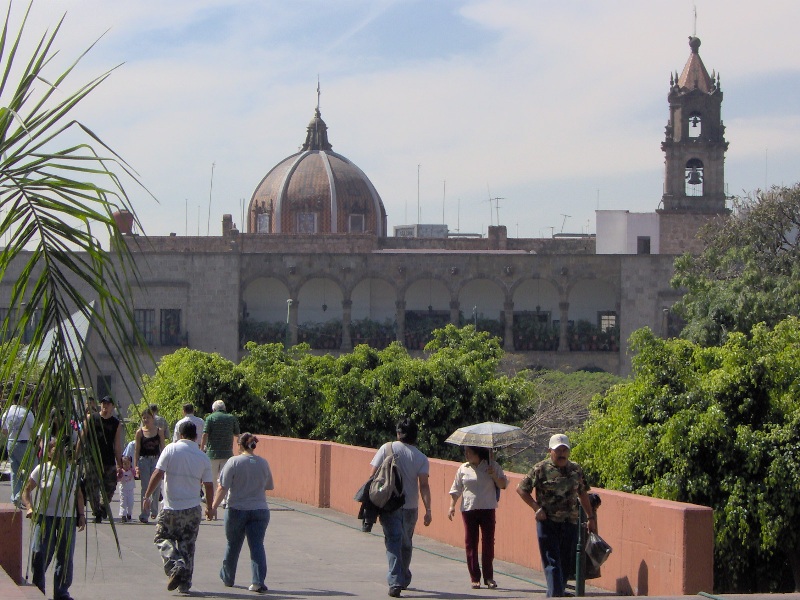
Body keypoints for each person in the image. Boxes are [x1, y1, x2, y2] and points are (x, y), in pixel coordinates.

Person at [516, 433, 597, 598]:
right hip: (548, 522)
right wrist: (536, 508)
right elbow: (521, 489)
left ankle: (554, 594)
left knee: (565, 565)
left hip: (570, 523)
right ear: (550, 451)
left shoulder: (576, 469)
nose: (562, 453)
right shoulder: (540, 469)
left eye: (564, 450)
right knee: (552, 563)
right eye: (558, 450)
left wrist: (591, 517)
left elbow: (583, 493)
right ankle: (556, 596)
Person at [142, 421, 214, 593]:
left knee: (161, 538)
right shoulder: (202, 456)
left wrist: (147, 496)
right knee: (187, 545)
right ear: (196, 437)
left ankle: (175, 564)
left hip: (171, 508)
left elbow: (157, 473)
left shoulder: (171, 449)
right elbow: (209, 485)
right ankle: (184, 584)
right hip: (192, 508)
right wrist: (210, 507)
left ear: (180, 435)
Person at [370, 416, 432, 598]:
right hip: (411, 506)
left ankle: (397, 580)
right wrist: (428, 510)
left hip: (389, 503)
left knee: (393, 541)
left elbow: (373, 475)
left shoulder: (386, 448)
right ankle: (401, 577)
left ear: (398, 433)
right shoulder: (421, 457)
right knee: (405, 543)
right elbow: (424, 486)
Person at [22, 438, 86, 600]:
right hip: (45, 516)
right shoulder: (41, 469)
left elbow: (78, 494)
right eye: (54, 449)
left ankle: (61, 592)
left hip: (67, 517)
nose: (59, 452)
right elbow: (26, 490)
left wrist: (81, 515)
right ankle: (38, 590)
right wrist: (30, 508)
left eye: (62, 449)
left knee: (65, 556)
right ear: (48, 453)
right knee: (40, 553)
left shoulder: (73, 470)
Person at [210, 432, 274, 593]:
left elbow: (222, 487)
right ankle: (258, 581)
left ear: (239, 445)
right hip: (260, 509)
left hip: (237, 509)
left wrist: (212, 507)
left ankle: (228, 577)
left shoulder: (234, 462)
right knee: (257, 545)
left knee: (233, 544)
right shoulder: (263, 463)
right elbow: (269, 485)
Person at [448, 445, 508, 589]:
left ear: (479, 453)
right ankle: (475, 576)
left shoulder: (492, 465)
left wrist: (493, 475)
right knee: (471, 542)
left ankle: (489, 577)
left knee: (488, 543)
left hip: (488, 508)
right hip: (469, 509)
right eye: (465, 452)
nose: (467, 455)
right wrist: (451, 506)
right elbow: (456, 489)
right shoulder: (463, 468)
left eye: (470, 452)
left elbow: (503, 485)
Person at [78, 395, 123, 523]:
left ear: (112, 407)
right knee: (91, 486)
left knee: (110, 486)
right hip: (91, 459)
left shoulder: (115, 423)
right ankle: (96, 511)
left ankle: (103, 507)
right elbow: (82, 438)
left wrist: (119, 464)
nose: (105, 406)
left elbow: (117, 445)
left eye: (108, 404)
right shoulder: (91, 418)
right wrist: (76, 455)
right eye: (103, 403)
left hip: (108, 459)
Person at [1, 392, 35, 508]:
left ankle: (15, 496)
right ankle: (23, 495)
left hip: (11, 442)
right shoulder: (26, 412)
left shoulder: (7, 413)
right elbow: (32, 430)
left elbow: (4, 431)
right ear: (21, 400)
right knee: (30, 470)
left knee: (15, 471)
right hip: (24, 442)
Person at [134, 407, 165, 523]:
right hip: (144, 461)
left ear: (153, 418)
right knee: (145, 487)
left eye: (148, 417)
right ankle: (144, 513)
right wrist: (136, 465)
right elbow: (137, 450)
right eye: (144, 418)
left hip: (156, 460)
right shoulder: (140, 432)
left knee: (156, 486)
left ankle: (154, 510)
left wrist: (165, 463)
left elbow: (163, 448)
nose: (146, 420)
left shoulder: (159, 431)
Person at [201, 399, 240, 488]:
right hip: (227, 453)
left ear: (214, 409)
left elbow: (205, 434)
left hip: (212, 453)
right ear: (224, 408)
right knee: (225, 477)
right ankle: (225, 499)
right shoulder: (231, 418)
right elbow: (237, 434)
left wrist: (201, 448)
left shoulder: (210, 418)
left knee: (211, 477)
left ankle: (213, 497)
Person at [117, 455, 136, 522]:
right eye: (124, 464)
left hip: (130, 489)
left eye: (128, 463)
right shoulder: (121, 472)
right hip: (123, 489)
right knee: (123, 502)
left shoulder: (132, 471)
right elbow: (118, 479)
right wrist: (119, 474)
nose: (126, 465)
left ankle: (129, 513)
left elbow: (136, 475)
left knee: (130, 502)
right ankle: (123, 515)